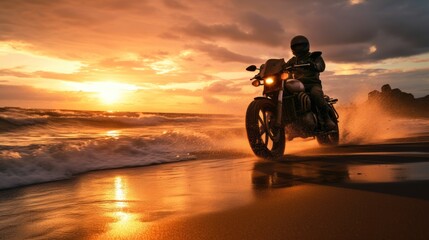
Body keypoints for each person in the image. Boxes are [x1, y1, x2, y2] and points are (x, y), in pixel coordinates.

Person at [284, 35, 336, 130]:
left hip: (312, 84)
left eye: (301, 45)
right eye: (296, 46)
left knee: (316, 94)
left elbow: (321, 67)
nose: (298, 48)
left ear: (306, 45)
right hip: (298, 85)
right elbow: (283, 67)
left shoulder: (314, 56)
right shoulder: (293, 60)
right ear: (292, 48)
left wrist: (313, 65)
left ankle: (327, 118)